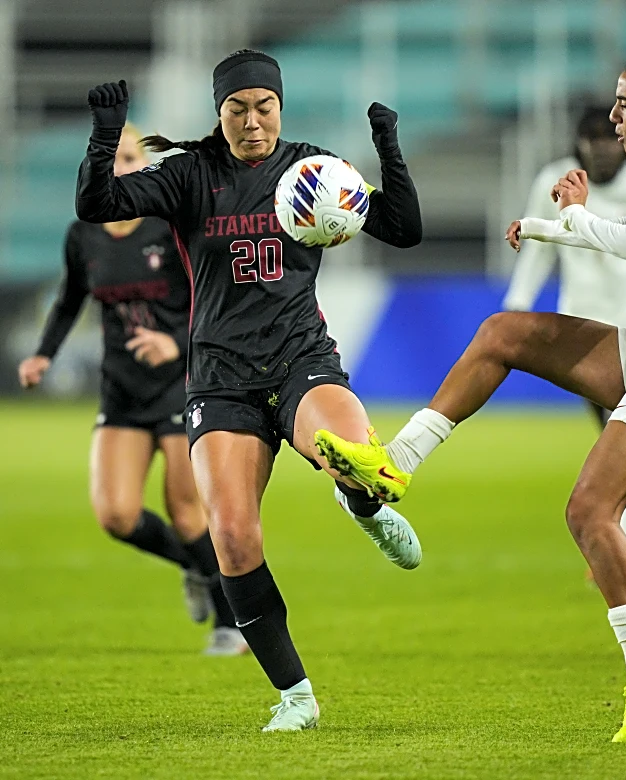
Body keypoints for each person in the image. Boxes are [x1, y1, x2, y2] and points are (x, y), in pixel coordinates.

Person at [315, 50, 626, 742]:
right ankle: (394, 462)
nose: (613, 119)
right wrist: (550, 228)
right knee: (503, 333)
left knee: (589, 511)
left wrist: (574, 220)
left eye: (625, 105)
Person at [76, 50, 423, 732]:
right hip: (221, 377)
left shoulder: (312, 169)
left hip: (300, 359)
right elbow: (99, 203)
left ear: (280, 108)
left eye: (264, 106)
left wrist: (387, 146)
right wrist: (103, 133)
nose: (252, 121)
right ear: (220, 113)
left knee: (360, 454)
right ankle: (296, 695)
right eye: (238, 109)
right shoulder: (188, 176)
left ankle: (363, 505)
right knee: (232, 536)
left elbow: (402, 229)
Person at [18, 126, 246, 656]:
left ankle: (230, 623)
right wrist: (43, 354)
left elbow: (214, 299)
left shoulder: (169, 226)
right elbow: (71, 298)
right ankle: (196, 568)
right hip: (121, 388)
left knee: (187, 511)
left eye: (129, 157)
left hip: (181, 383)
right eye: (111, 158)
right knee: (116, 516)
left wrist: (173, 342)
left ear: (145, 164)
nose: (119, 166)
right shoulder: (84, 232)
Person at [503, 106, 626, 596]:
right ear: (579, 144)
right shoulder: (555, 179)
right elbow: (537, 249)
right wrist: (515, 312)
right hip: (585, 337)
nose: (602, 148)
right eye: (592, 140)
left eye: (609, 139)